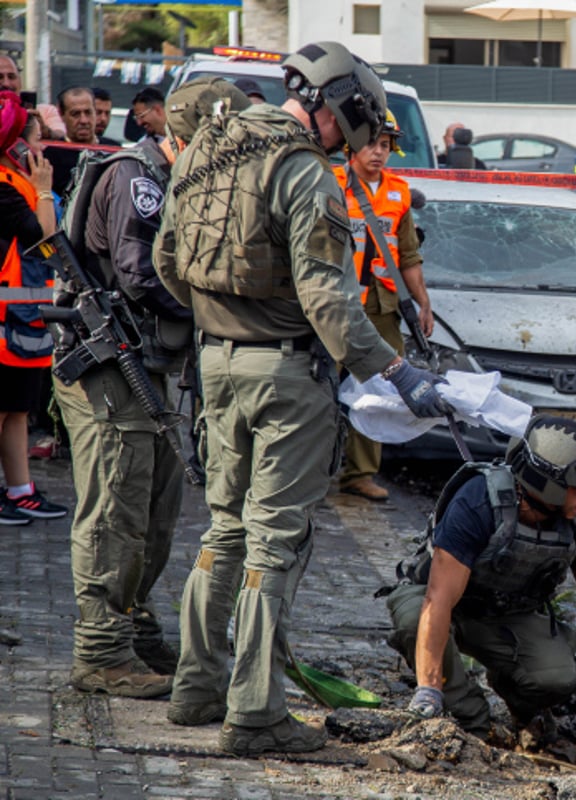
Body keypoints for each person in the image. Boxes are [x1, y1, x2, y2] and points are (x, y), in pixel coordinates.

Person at [155, 40, 449, 757]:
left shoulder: (207, 150)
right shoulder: (304, 174)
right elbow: (328, 297)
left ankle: (196, 688)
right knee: (272, 543)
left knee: (222, 529)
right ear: (340, 107)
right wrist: (394, 372)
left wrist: (221, 326)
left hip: (216, 364)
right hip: (286, 376)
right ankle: (255, 715)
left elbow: (167, 260)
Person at [55, 74, 206, 698]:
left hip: (146, 367)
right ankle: (100, 650)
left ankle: (135, 629)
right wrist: (213, 307)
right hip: (109, 369)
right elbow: (139, 274)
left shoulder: (168, 178)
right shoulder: (135, 178)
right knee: (116, 507)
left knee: (157, 510)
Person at [386, 415, 576, 735]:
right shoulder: (478, 501)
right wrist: (429, 689)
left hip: (504, 615)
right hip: (438, 605)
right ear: (548, 486)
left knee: (556, 679)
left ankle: (518, 707)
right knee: (412, 618)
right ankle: (470, 717)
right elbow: (438, 600)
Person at [334, 112, 433, 502]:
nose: (378, 152)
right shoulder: (331, 184)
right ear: (350, 147)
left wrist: (423, 303)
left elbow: (408, 255)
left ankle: (360, 473)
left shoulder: (400, 192)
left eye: (385, 146)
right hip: (336, 306)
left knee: (379, 389)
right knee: (320, 386)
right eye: (371, 144)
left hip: (382, 307)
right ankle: (310, 467)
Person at [0, 92, 64, 527]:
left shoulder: (20, 182)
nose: (43, 150)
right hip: (6, 314)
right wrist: (43, 192)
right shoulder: (4, 186)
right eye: (37, 141)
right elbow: (41, 236)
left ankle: (20, 489)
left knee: (19, 407)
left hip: (27, 310)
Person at [46, 87, 96, 195]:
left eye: (88, 112)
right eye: (75, 114)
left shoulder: (113, 149)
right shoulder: (50, 156)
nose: (83, 120)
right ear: (61, 115)